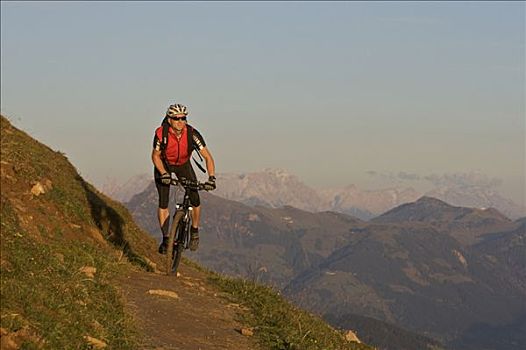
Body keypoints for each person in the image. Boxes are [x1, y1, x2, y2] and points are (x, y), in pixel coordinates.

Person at [151, 103, 216, 254]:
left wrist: (211, 177)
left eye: (183, 118)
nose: (180, 121)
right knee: (163, 202)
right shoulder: (161, 134)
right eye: (176, 118)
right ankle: (167, 238)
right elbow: (155, 156)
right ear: (169, 119)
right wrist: (163, 173)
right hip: (164, 164)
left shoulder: (192, 134)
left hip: (183, 165)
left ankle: (194, 230)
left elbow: (207, 156)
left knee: (195, 198)